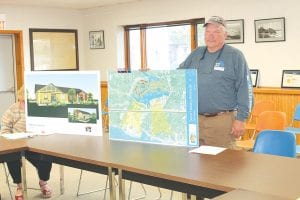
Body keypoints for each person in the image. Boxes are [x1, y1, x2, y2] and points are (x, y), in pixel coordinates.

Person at [179, 16, 253, 149]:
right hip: (195, 120)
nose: (211, 36)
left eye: (216, 32)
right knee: (195, 163)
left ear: (225, 35)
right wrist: (151, 75)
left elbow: (244, 88)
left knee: (224, 165)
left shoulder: (235, 56)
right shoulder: (196, 54)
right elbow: (177, 75)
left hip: (222, 122)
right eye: (208, 32)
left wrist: (241, 119)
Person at [1, 86, 53, 200]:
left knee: (47, 157)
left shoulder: (40, 108)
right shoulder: (13, 109)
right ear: (19, 98)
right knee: (11, 158)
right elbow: (4, 130)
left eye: (29, 101)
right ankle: (20, 186)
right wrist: (12, 139)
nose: (25, 104)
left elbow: (48, 126)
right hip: (16, 145)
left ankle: (43, 182)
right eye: (23, 101)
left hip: (35, 144)